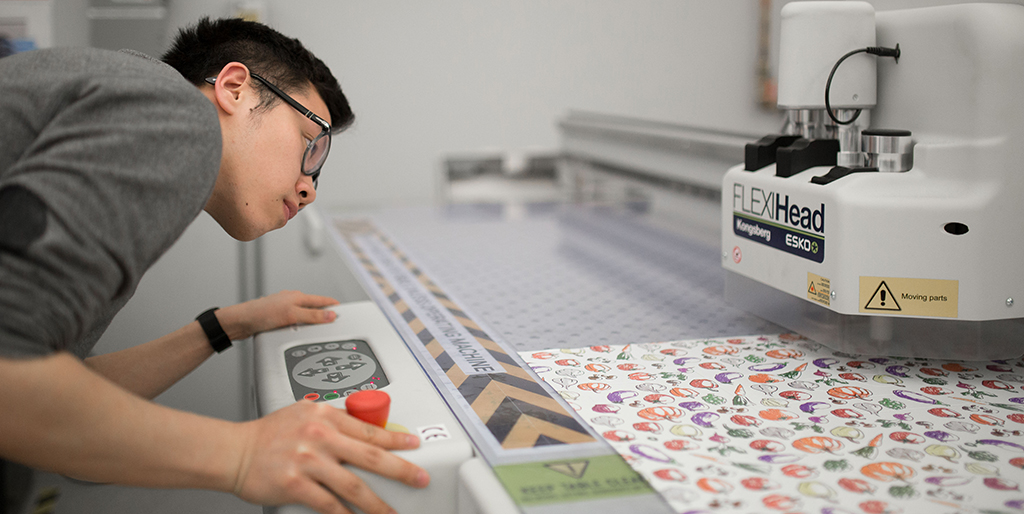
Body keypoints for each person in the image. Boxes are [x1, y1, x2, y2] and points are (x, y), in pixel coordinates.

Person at [0, 17, 427, 514]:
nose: (309, 188)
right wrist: (243, 456)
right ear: (235, 88)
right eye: (311, 145)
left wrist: (224, 326)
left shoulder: (123, 104)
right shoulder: (172, 112)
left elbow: (61, 414)